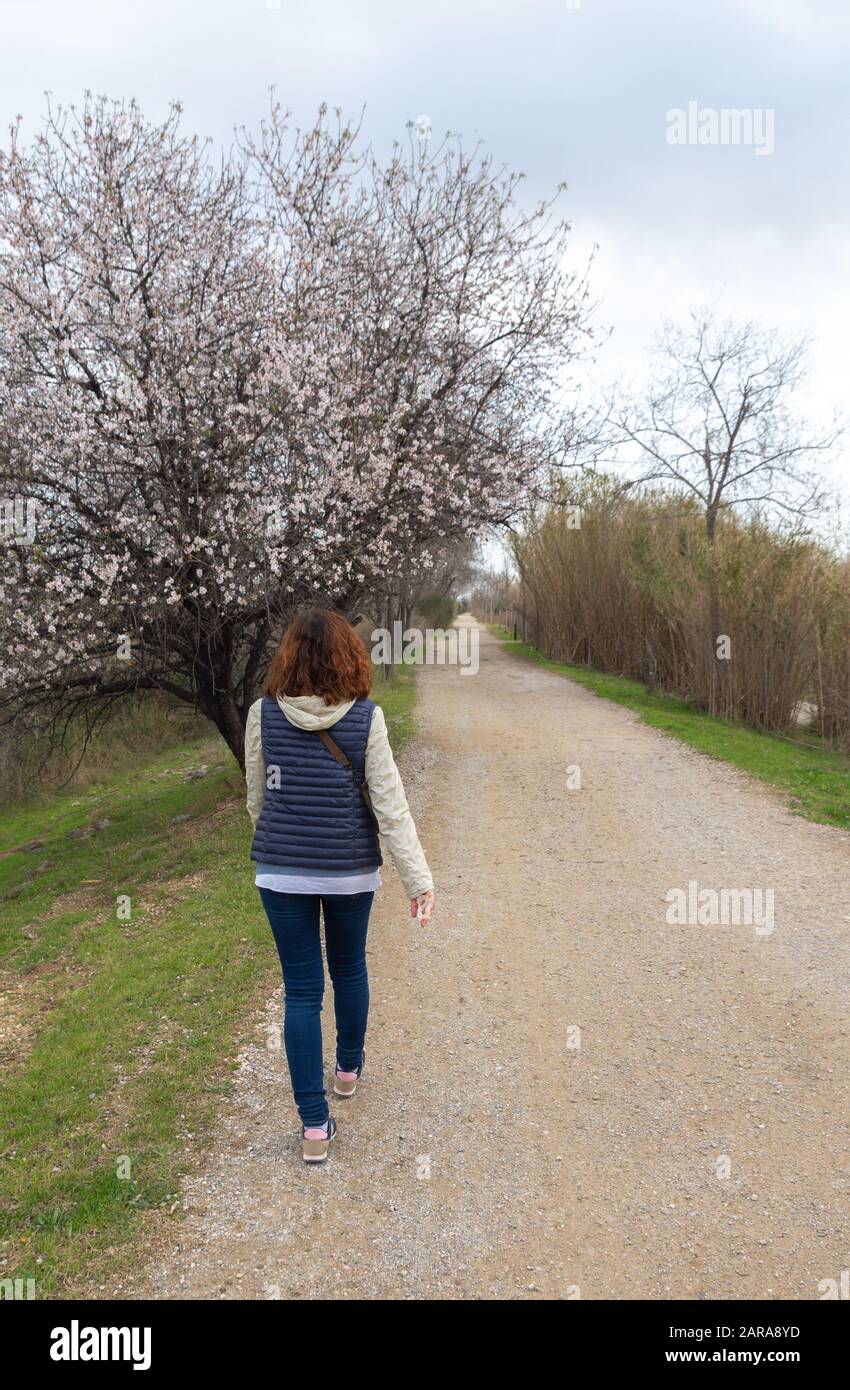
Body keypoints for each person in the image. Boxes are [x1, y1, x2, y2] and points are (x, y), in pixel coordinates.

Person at [245, 607, 434, 1163]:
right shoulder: (365, 718)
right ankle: (347, 1070)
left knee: (301, 992)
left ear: (288, 658)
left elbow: (257, 798)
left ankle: (313, 1127)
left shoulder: (262, 713)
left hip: (280, 873)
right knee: (348, 966)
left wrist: (281, 843)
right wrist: (416, 880)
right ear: (348, 657)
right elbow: (390, 808)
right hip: (350, 871)